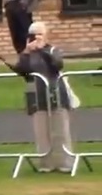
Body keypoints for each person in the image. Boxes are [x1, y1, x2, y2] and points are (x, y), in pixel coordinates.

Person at [18, 21, 75, 173]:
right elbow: (21, 70)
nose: (36, 38)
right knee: (41, 130)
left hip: (56, 92)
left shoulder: (53, 50)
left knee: (60, 129)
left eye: (40, 34)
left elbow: (57, 65)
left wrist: (42, 50)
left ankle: (65, 162)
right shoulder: (28, 53)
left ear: (45, 35)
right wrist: (26, 52)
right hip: (37, 94)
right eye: (33, 35)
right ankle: (46, 163)